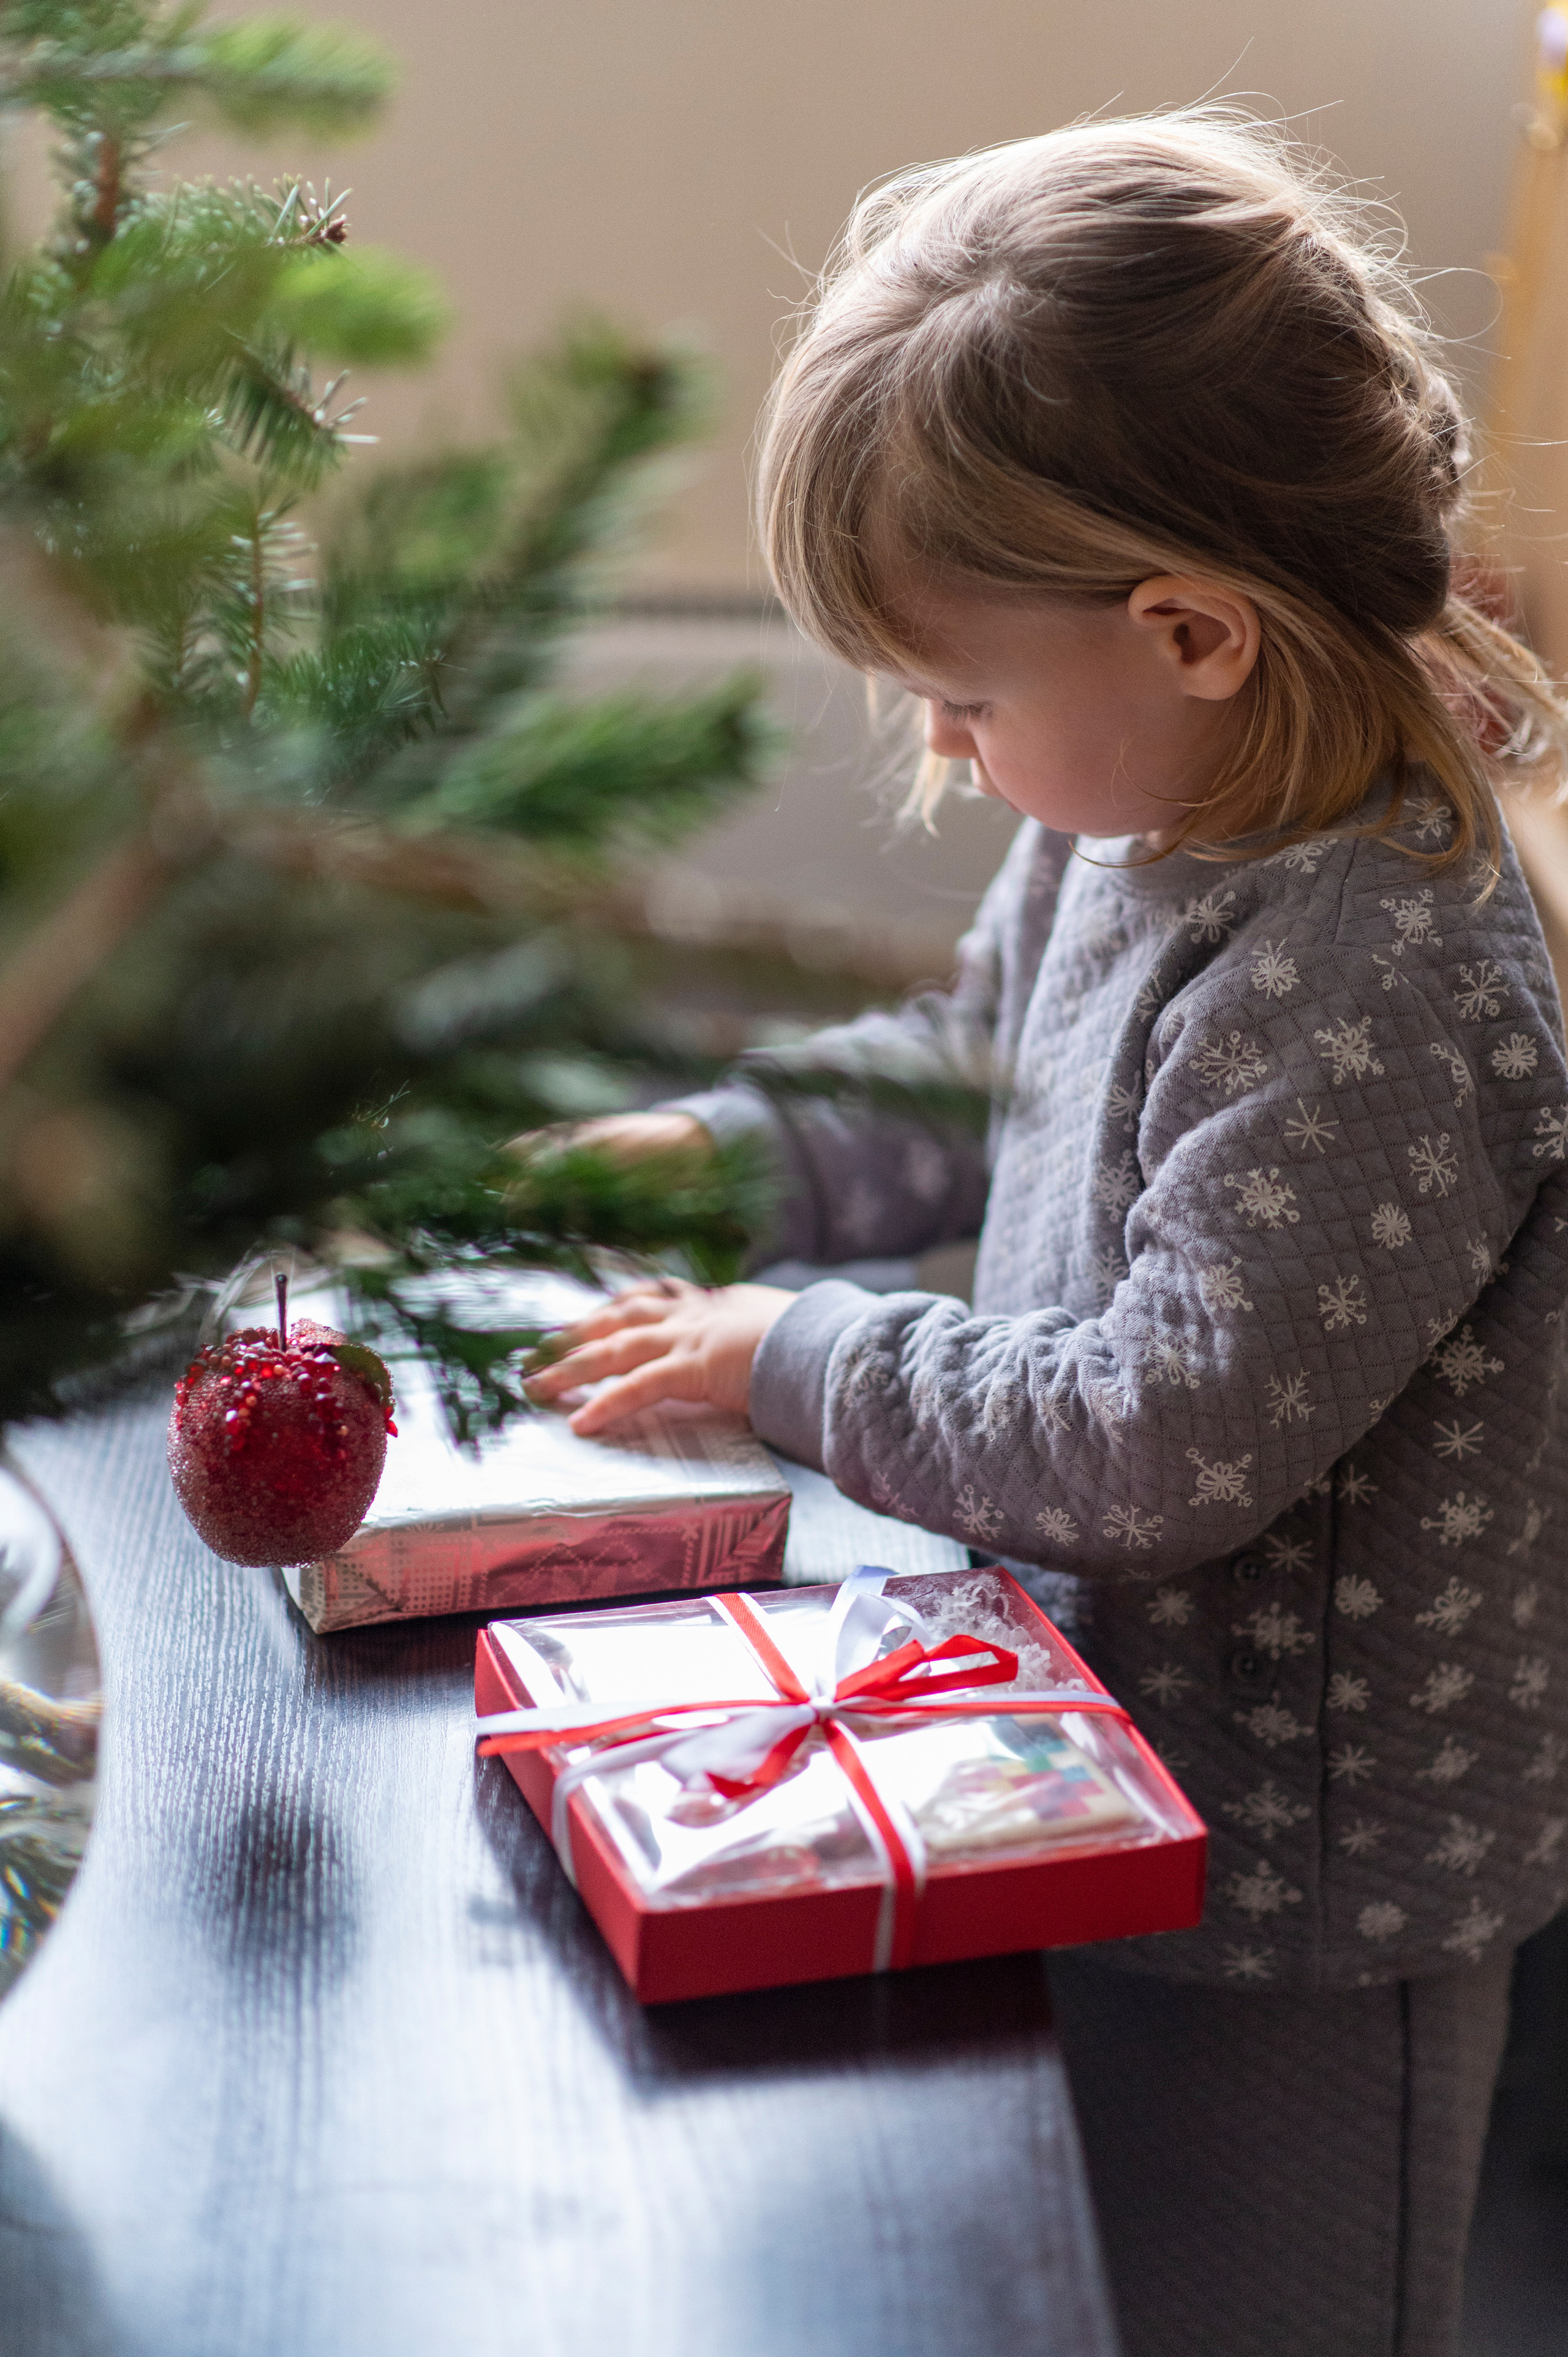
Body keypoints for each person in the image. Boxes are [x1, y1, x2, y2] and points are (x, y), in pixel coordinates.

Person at [522, 112, 1568, 2357]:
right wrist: (705, 1163)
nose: (942, 742)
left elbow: (1159, 1434)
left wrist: (780, 1350)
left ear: (1190, 629)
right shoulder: (1149, 807)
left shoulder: (1377, 972)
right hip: (1093, 1758)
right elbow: (971, 1062)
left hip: (1302, 1874)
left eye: (964, 694)